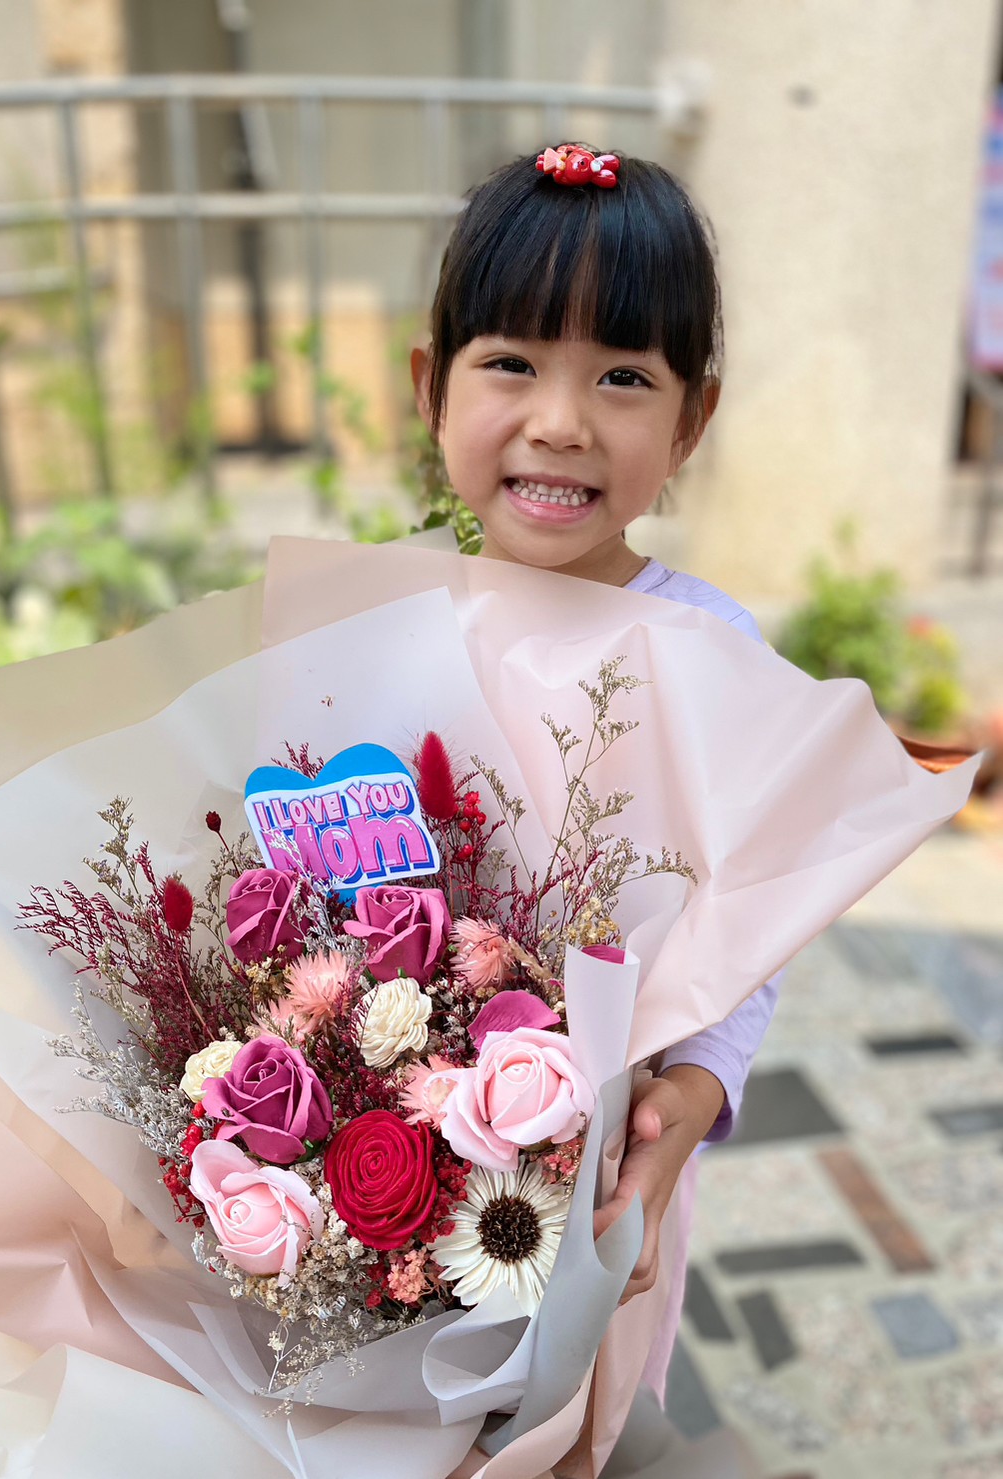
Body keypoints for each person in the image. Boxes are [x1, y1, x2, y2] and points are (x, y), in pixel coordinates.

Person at [410, 145, 777, 1474]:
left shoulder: (711, 654)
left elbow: (754, 920)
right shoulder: (387, 631)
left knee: (570, 1431)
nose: (561, 422)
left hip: (600, 1172)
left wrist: (691, 1101)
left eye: (623, 377)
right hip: (391, 1156)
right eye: (511, 361)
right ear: (431, 388)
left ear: (691, 421)